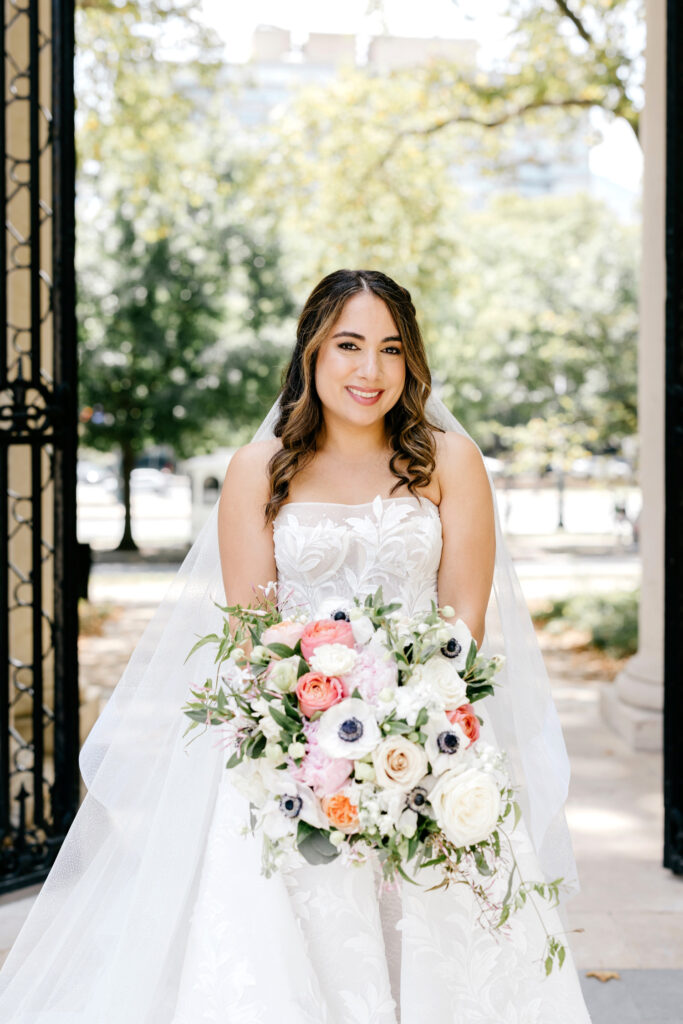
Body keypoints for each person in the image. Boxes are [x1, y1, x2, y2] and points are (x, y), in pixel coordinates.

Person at [0, 269, 592, 1022]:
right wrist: (314, 738)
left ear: (411, 361)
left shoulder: (449, 463)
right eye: (347, 345)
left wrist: (403, 731)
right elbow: (250, 635)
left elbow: (462, 630)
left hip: (430, 751)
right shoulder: (260, 469)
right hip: (289, 759)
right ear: (311, 353)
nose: (369, 370)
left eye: (389, 349)